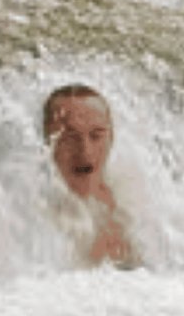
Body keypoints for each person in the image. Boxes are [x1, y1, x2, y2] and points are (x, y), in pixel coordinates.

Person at [43, 84, 139, 269]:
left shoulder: (135, 203)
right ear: (47, 142)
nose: (85, 152)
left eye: (96, 136)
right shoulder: (30, 215)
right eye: (69, 138)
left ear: (111, 138)